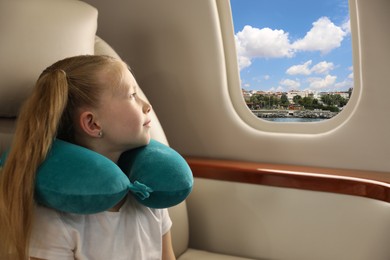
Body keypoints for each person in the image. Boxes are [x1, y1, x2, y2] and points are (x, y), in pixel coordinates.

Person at [0, 55, 176, 260]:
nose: (147, 105)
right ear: (93, 124)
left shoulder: (148, 192)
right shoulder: (55, 219)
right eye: (132, 95)